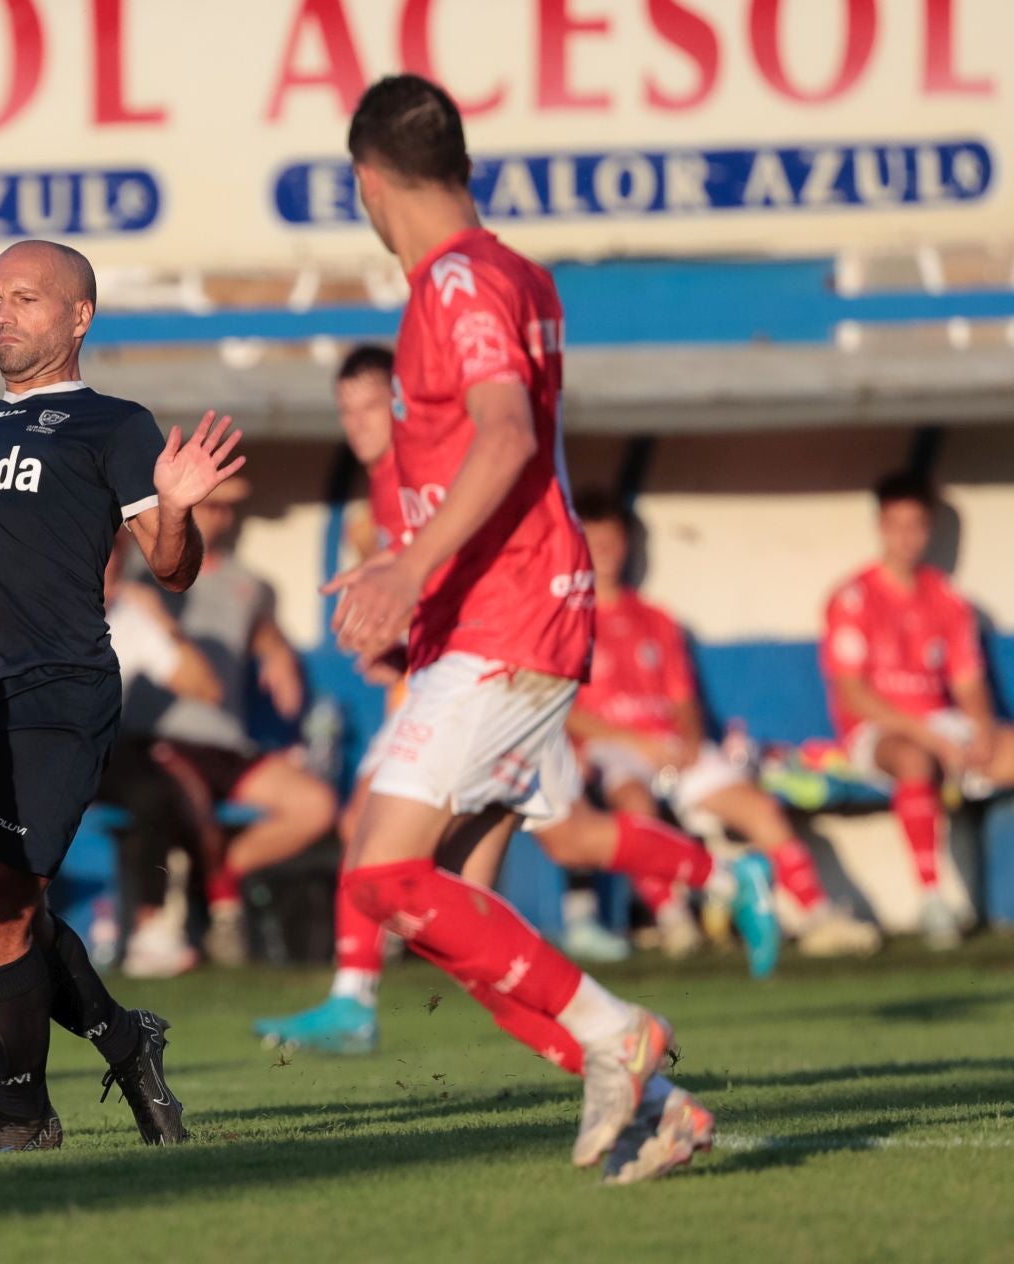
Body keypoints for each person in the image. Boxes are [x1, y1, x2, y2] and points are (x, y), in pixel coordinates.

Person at [323, 76, 716, 1184]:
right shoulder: (512, 274)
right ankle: (660, 1107)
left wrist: (409, 563)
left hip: (506, 621)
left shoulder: (454, 283)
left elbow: (501, 438)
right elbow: (490, 451)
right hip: (503, 616)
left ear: (367, 180)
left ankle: (615, 1034)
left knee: (380, 878)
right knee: (452, 911)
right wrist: (405, 563)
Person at [254, 345, 777, 1058]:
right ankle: (620, 1063)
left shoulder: (436, 463)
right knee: (472, 901)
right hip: (454, 681)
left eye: (372, 406)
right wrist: (396, 641)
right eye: (345, 412)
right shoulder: (381, 491)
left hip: (495, 681)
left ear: (402, 402)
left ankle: (360, 998)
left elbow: (473, 571)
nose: (359, 425)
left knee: (396, 847)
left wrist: (405, 615)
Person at [0, 238, 243, 1153]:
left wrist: (178, 506)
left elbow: (173, 569)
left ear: (79, 316)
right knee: (3, 913)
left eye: (26, 299)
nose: (3, 316)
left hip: (56, 689)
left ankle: (23, 1112)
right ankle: (122, 1036)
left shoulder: (115, 424)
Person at [569, 490, 880, 958]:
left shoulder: (655, 619)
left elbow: (683, 699)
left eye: (614, 542)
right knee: (633, 802)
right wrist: (634, 741)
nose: (607, 554)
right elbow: (563, 707)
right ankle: (674, 921)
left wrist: (690, 740)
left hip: (672, 748)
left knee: (759, 807)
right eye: (596, 543)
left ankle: (818, 916)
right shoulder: (568, 619)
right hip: (611, 748)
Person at [130, 477, 338, 966]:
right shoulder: (142, 574)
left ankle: (221, 875)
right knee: (178, 797)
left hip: (226, 742)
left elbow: (264, 632)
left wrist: (278, 653)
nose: (220, 516)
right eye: (211, 504)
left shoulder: (251, 584)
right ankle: (208, 912)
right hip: (158, 739)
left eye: (228, 508)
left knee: (315, 805)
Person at [822, 471, 1014, 948]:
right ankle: (932, 901)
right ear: (881, 527)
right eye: (897, 525)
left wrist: (984, 729)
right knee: (914, 758)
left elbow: (968, 682)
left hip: (942, 726)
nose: (907, 537)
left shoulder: (946, 598)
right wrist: (933, 738)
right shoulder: (853, 597)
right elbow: (853, 695)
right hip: (878, 731)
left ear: (928, 530)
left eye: (917, 526)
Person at [101, 533, 224, 979]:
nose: (104, 567)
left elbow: (205, 687)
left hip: (99, 748)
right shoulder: (40, 605)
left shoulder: (131, 618)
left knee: (157, 790)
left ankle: (150, 931)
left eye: (112, 558)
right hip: (32, 743)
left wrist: (160, 618)